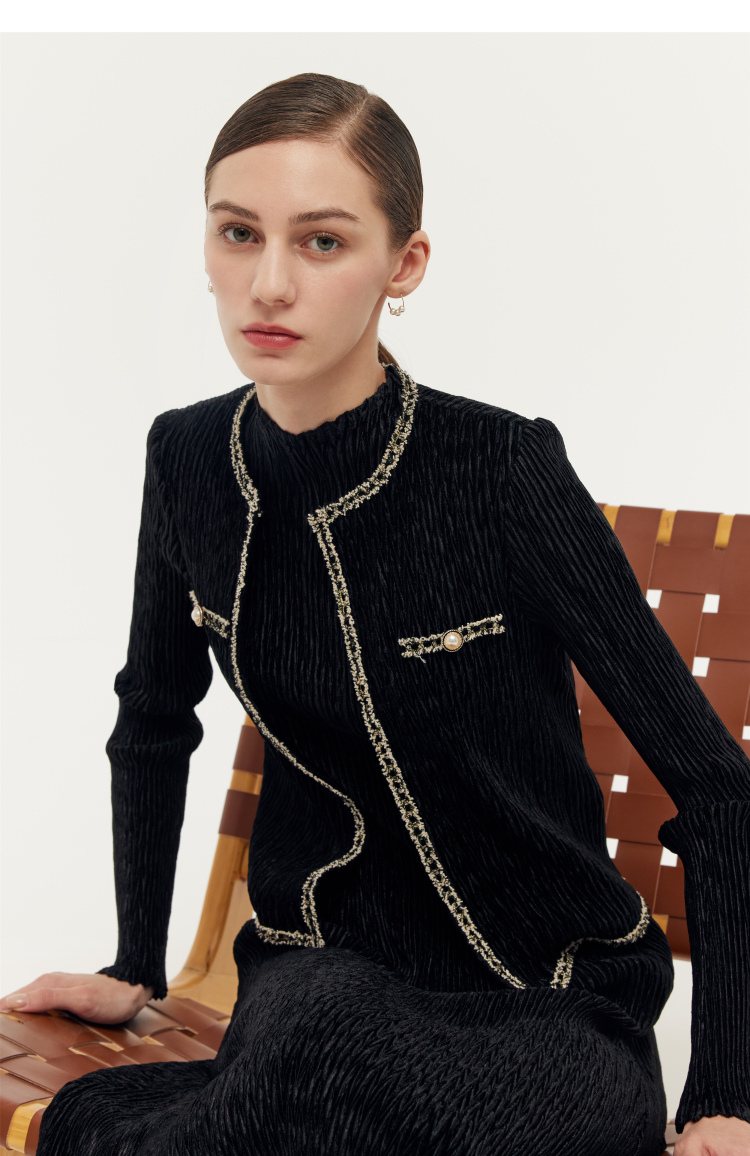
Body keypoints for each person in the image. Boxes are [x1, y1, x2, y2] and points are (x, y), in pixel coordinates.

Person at [2, 71, 748, 1156]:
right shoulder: (188, 458)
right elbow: (155, 715)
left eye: (322, 242)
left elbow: (720, 790)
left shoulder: (502, 469)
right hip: (318, 984)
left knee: (317, 1081)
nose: (268, 284)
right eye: (238, 233)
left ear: (405, 265)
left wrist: (724, 1096)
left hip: (550, 1012)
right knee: (316, 1032)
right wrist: (133, 964)